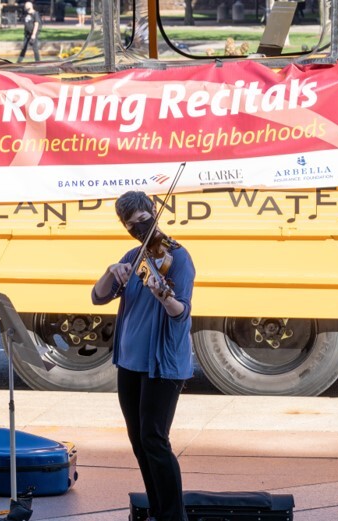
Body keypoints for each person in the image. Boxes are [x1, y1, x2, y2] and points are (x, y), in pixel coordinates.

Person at [91, 191, 195, 521]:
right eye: (131, 224)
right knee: (139, 441)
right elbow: (98, 297)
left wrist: (165, 297)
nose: (139, 228)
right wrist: (112, 271)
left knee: (154, 438)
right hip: (130, 363)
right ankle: (156, 509)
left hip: (162, 364)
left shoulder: (177, 258)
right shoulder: (134, 256)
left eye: (143, 219)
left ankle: (172, 515)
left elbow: (181, 313)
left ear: (154, 211)